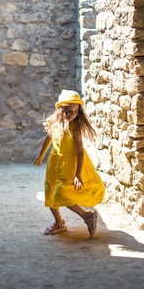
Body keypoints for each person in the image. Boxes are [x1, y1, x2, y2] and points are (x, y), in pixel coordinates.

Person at [34, 89, 105, 237]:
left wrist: (78, 174)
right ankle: (59, 223)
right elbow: (49, 138)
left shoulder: (76, 129)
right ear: (60, 110)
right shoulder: (55, 124)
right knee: (51, 193)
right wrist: (41, 155)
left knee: (62, 194)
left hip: (70, 164)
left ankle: (87, 216)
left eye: (75, 111)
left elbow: (79, 152)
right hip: (55, 161)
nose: (72, 114)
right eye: (68, 110)